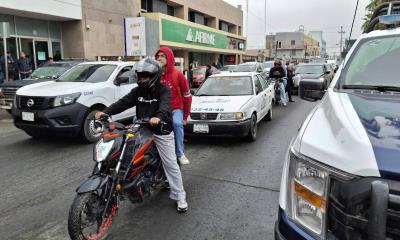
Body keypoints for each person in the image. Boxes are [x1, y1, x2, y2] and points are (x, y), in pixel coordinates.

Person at [95, 58, 188, 212]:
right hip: (141, 127)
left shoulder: (164, 89)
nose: (142, 77)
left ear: (155, 76)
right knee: (125, 150)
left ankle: (180, 195)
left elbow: (165, 107)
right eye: (140, 75)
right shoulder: (138, 91)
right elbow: (123, 102)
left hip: (161, 129)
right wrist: (105, 112)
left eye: (146, 75)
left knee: (170, 164)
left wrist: (158, 117)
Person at [155, 47, 192, 165]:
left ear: (169, 58)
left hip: (176, 109)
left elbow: (187, 96)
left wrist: (185, 117)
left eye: (162, 56)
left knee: (177, 123)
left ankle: (180, 153)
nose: (159, 58)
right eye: (158, 56)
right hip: (160, 109)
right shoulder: (155, 74)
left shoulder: (178, 75)